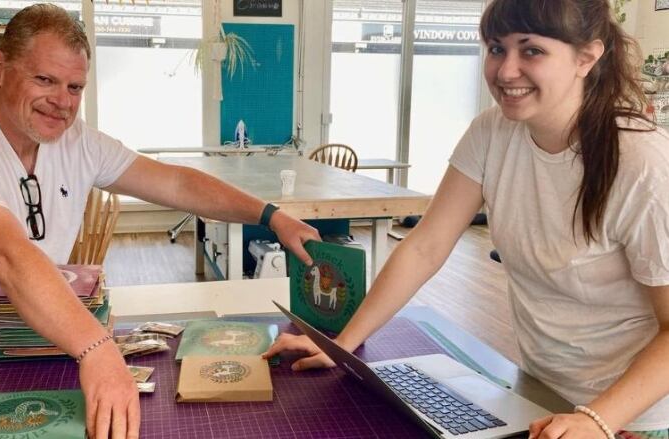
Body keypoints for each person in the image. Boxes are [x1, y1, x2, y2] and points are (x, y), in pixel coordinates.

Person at [0, 4, 320, 439]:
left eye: (75, 87)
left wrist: (271, 215)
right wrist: (96, 348)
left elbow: (176, 185)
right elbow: (6, 255)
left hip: (14, 347)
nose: (62, 101)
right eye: (45, 80)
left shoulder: (77, 141)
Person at [265, 0, 669, 438]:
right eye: (496, 49)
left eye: (531, 50)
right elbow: (425, 247)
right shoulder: (493, 131)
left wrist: (597, 420)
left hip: (633, 415)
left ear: (586, 57)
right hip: (541, 394)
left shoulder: (642, 164)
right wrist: (341, 345)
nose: (505, 71)